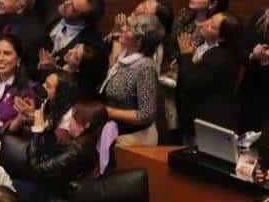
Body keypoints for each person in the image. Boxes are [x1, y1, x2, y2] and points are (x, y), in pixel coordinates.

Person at [100, 11, 164, 145]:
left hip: (133, 139)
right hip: (117, 133)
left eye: (129, 29)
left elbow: (146, 114)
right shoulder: (123, 57)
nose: (123, 29)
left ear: (140, 40)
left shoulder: (145, 67)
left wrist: (111, 112)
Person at [177, 10, 242, 139]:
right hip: (203, 121)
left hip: (210, 124)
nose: (205, 24)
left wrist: (186, 55)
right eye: (210, 19)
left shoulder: (218, 57)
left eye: (212, 26)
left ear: (222, 38)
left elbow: (189, 83)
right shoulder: (208, 48)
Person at [39, 0, 105, 75]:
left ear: (83, 22)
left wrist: (56, 70)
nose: (66, 3)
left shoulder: (91, 46)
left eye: (73, 9)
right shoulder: (56, 6)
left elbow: (82, 81)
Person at [0, 0, 48, 74]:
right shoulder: (3, 19)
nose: (0, 0)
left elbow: (29, 73)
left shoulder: (35, 35)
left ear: (21, 7)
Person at [238, 8, 269, 139]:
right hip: (250, 94)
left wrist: (265, 61)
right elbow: (240, 51)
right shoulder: (259, 18)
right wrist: (253, 56)